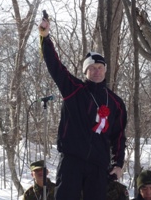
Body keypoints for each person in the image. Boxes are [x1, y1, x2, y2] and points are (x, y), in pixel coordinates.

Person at [39, 16, 127, 200]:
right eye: (92, 68)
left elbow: (118, 136)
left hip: (98, 165)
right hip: (72, 160)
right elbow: (55, 66)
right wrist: (45, 37)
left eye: (100, 67)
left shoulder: (116, 102)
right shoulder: (74, 90)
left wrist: (117, 164)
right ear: (85, 71)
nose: (96, 71)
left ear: (105, 70)